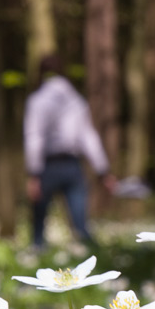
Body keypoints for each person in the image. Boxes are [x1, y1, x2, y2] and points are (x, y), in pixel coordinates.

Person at [24, 54, 115, 249]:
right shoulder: (77, 100)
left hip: (47, 166)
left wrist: (33, 174)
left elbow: (34, 137)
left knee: (39, 225)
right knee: (80, 224)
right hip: (73, 166)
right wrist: (103, 171)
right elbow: (88, 137)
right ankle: (95, 258)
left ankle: (36, 255)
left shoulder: (37, 100)